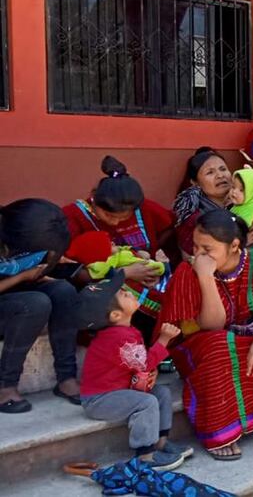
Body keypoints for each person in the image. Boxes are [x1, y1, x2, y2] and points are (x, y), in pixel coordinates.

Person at [157, 211, 253, 459]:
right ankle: (220, 431)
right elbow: (212, 326)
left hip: (247, 336)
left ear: (235, 246)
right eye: (195, 246)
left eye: (207, 248)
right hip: (202, 345)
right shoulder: (188, 272)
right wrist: (205, 277)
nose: (198, 254)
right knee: (220, 346)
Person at [77, 272, 192, 470]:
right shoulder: (117, 337)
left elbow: (139, 365)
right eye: (123, 294)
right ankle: (145, 455)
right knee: (147, 402)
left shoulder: (126, 331)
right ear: (115, 315)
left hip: (120, 390)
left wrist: (150, 371)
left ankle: (161, 442)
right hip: (100, 400)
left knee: (162, 393)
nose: (128, 292)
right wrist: (163, 340)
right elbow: (144, 363)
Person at [64, 157, 176, 325]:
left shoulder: (144, 209)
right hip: (106, 297)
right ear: (94, 198)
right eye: (109, 216)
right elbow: (71, 270)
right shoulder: (73, 217)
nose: (115, 223)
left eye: (124, 217)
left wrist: (150, 263)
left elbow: (170, 226)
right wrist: (126, 273)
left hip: (148, 279)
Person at [0, 199, 80, 414]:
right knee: (34, 304)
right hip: (13, 298)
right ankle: (5, 386)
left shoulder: (34, 234)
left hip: (13, 292)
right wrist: (22, 276)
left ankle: (67, 377)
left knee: (63, 291)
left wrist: (43, 273)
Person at [174, 148, 253, 260]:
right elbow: (191, 260)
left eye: (223, 169)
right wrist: (240, 244)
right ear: (195, 183)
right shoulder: (194, 218)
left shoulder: (245, 204)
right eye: (210, 172)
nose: (220, 175)